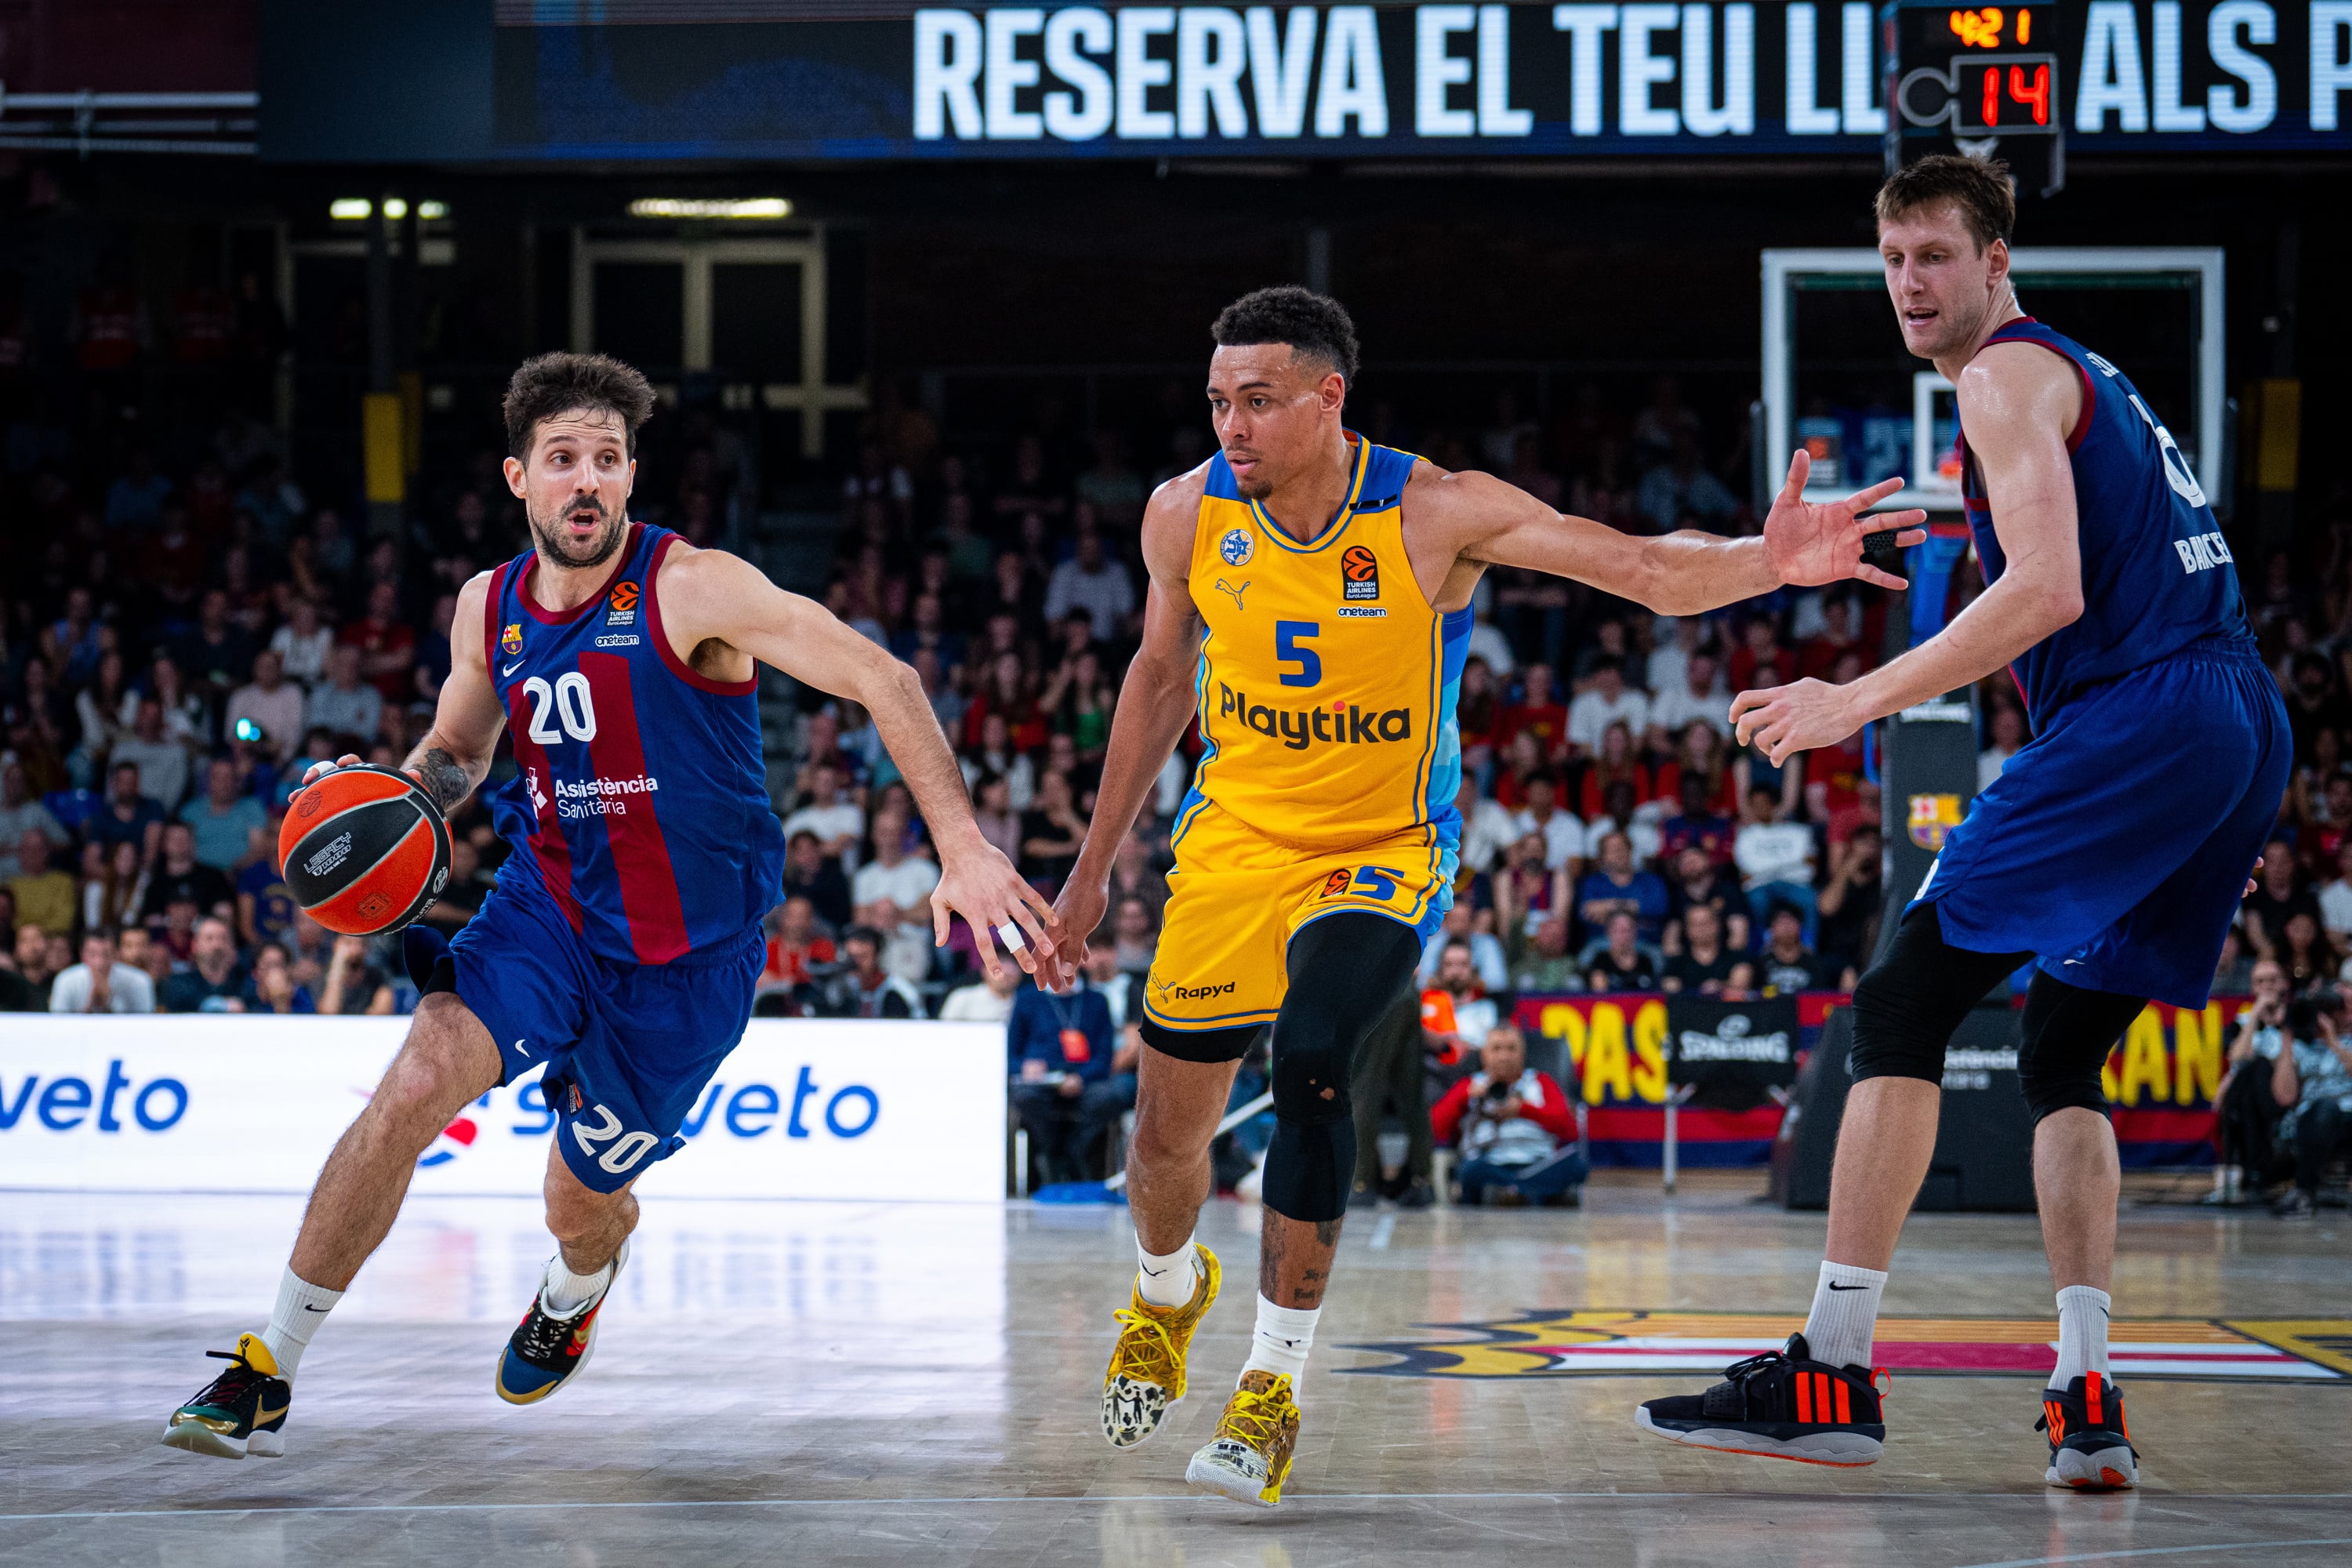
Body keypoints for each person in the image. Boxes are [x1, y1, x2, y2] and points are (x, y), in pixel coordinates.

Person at [1046, 285, 1919, 1505]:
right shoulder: (1183, 513)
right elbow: (1155, 681)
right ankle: (1166, 1292)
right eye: (1217, 402)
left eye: (1257, 401)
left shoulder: (1432, 510)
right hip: (1233, 845)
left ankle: (1270, 1387)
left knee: (1314, 1058)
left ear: (1329, 399)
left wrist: (1766, 561)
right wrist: (1090, 871)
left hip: (1382, 848)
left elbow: (1643, 569)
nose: (1231, 426)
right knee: (1163, 1141)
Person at [162, 351, 1055, 1461]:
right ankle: (268, 1367)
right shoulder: (486, 607)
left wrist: (961, 845)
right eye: (561, 459)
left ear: (631, 475)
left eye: (607, 459)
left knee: (577, 1203)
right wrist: (387, 799)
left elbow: (888, 679)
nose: (585, 480)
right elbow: (458, 752)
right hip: (547, 907)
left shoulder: (695, 588)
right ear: (518, 477)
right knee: (415, 1081)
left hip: (688, 959)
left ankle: (576, 1285)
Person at [1639, 157, 2289, 1494]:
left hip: (2152, 711)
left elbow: (2047, 590)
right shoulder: (2082, 375)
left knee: (1900, 1003)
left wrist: (1853, 698)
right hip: (2232, 714)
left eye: (1934, 255)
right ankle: (2086, 1391)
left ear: (1997, 261)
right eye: (1892, 260)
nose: (1909, 283)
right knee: (2063, 1051)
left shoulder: (2000, 378)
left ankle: (1830, 1369)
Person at [1428, 1024, 1585, 1206]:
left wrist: (1523, 1110)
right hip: (1490, 1163)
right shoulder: (1470, 1086)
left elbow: (1568, 1126)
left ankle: (1511, 1192)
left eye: (1511, 1049)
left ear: (1522, 1054)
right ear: (1484, 1054)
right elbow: (1434, 1127)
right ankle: (1534, 1194)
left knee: (1575, 1166)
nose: (1504, 1056)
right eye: (1496, 1049)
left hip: (1537, 1164)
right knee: (1470, 1171)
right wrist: (1464, 1098)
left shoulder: (1540, 1082)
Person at [1007, 970, 1122, 1185]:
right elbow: (1010, 1055)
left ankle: (1075, 1148)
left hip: (1084, 1078)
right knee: (1024, 1096)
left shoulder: (1096, 1000)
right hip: (1040, 1080)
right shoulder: (1026, 998)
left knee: (1108, 1097)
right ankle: (1051, 1150)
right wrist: (1024, 1067)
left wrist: (1081, 1078)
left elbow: (1104, 1056)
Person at [2269, 992, 2352, 1219]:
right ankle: (2304, 1193)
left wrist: (2332, 1041)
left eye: (2331, 1010)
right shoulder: (2300, 1047)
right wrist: (2287, 1039)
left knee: (2334, 1110)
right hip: (2313, 1121)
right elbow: (2284, 1096)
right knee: (2326, 1108)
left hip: (2349, 1118)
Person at [47, 928, 158, 1014]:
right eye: (93, 954)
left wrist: (110, 1003)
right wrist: (90, 1004)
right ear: (82, 955)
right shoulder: (65, 980)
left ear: (116, 954)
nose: (100, 962)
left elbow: (145, 1025)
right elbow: (59, 1024)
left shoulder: (139, 981)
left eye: (106, 954)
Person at [160, 916, 248, 1012]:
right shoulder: (178, 984)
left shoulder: (245, 983)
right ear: (195, 945)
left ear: (233, 947)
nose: (217, 945)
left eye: (223, 939)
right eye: (209, 938)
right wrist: (220, 1006)